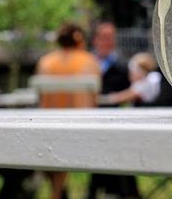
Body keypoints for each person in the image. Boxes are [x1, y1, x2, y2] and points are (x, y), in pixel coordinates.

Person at [36, 23, 100, 199]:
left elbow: (40, 99)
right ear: (80, 41)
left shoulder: (45, 62)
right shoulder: (89, 61)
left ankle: (57, 191)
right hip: (82, 132)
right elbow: (94, 101)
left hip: (47, 131)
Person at [88, 22, 140, 199]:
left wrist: (114, 98)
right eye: (104, 37)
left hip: (116, 123)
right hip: (89, 122)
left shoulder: (123, 66)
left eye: (111, 37)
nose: (109, 41)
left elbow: (136, 89)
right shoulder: (87, 65)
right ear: (95, 40)